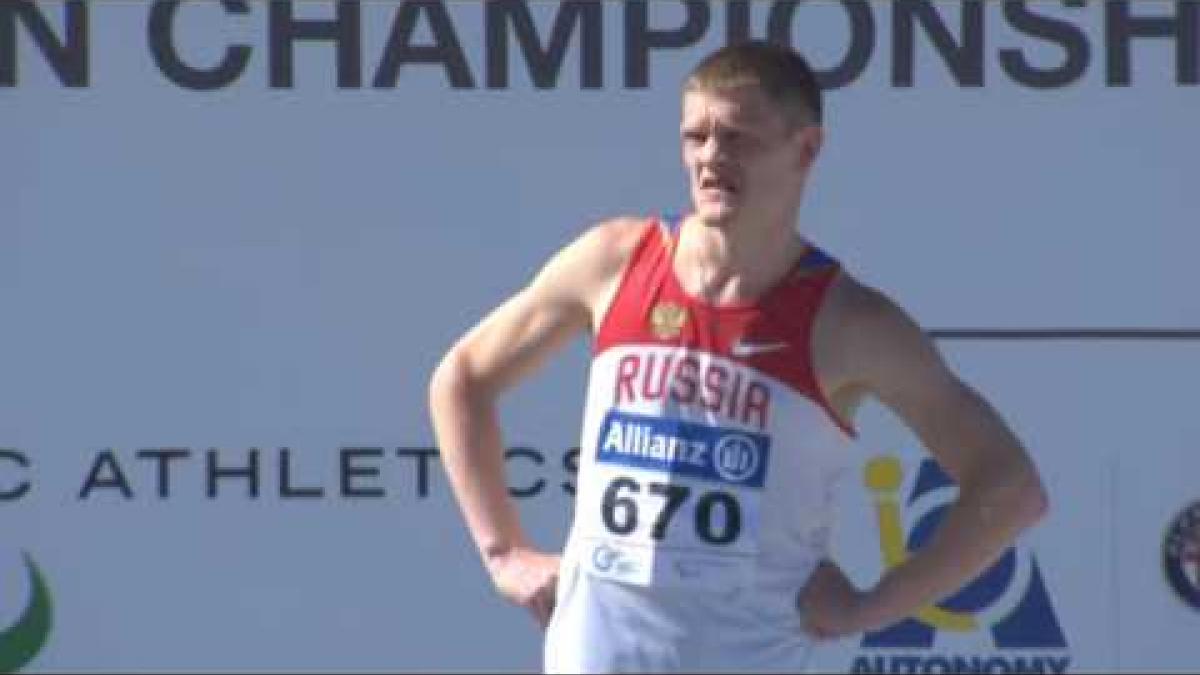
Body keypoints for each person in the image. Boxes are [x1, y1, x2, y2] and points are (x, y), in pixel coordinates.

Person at [428, 40, 1048, 673]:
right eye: (695, 137)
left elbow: (1011, 485)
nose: (710, 158)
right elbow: (463, 378)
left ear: (806, 150)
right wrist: (504, 553)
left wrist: (873, 607)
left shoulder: (850, 322)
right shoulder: (615, 260)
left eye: (738, 139)